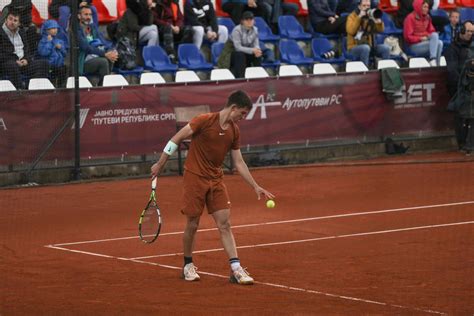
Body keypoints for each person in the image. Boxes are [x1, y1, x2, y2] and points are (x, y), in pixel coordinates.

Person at [151, 90, 275, 284]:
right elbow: (175, 139)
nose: (243, 118)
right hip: (195, 177)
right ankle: (187, 265)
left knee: (225, 224)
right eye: (242, 113)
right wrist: (160, 163)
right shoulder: (204, 120)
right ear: (233, 108)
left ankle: (236, 269)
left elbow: (239, 162)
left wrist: (255, 186)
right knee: (192, 223)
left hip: (216, 180)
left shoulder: (234, 130)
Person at [445, 20, 474, 152]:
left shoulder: (472, 47)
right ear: (461, 31)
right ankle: (463, 144)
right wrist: (464, 85)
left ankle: (469, 143)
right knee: (462, 116)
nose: (470, 34)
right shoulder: (452, 49)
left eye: (472, 32)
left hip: (471, 86)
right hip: (458, 87)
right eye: (468, 31)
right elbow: (452, 71)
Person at [0, 10, 49, 89]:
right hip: (7, 64)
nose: (12, 22)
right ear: (6, 20)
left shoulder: (22, 32)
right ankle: (21, 91)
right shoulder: (1, 33)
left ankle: (31, 88)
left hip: (23, 64)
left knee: (44, 63)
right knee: (12, 65)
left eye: (15, 20)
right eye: (10, 19)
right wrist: (15, 60)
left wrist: (26, 59)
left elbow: (26, 50)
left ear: (19, 23)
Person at [77, 5, 118, 85]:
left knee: (111, 57)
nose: (88, 17)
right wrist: (104, 54)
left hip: (96, 56)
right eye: (86, 14)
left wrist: (111, 50)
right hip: (82, 61)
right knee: (103, 61)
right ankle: (103, 87)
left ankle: (103, 84)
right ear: (79, 16)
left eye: (90, 14)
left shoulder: (92, 28)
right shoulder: (76, 30)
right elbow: (86, 48)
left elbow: (103, 41)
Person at [346, 0, 390, 68]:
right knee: (365, 48)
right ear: (359, 6)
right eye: (364, 6)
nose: (366, 8)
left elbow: (381, 30)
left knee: (385, 48)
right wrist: (359, 17)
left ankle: (386, 71)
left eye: (368, 6)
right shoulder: (352, 16)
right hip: (354, 47)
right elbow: (351, 31)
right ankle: (365, 72)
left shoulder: (370, 16)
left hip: (369, 46)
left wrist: (378, 21)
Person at [403, 0, 443, 66]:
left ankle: (436, 64)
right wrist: (420, 38)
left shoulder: (427, 17)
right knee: (437, 42)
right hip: (413, 46)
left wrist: (428, 36)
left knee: (439, 42)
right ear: (419, 7)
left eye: (427, 7)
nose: (426, 9)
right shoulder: (410, 18)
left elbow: (432, 31)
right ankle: (433, 60)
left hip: (425, 42)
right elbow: (408, 37)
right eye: (424, 7)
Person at [229, 11, 261, 78]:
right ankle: (241, 78)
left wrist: (257, 50)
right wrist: (252, 50)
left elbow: (256, 44)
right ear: (242, 21)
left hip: (246, 52)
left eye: (251, 19)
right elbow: (237, 47)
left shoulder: (255, 30)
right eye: (247, 19)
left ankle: (257, 77)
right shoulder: (237, 30)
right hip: (232, 53)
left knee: (258, 54)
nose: (249, 21)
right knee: (240, 54)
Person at [38, 19, 68, 88]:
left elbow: (65, 54)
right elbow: (43, 53)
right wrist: (50, 43)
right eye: (53, 28)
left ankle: (61, 87)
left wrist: (60, 48)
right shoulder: (43, 41)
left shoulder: (59, 41)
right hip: (49, 66)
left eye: (56, 28)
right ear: (47, 30)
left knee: (65, 69)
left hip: (60, 65)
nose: (55, 30)